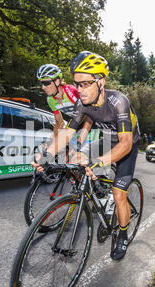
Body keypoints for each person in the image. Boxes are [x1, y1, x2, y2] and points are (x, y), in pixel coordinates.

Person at [33, 51, 140, 260]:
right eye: (77, 84)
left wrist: (98, 161)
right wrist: (44, 156)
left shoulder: (118, 101)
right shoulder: (82, 104)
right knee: (77, 159)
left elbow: (125, 143)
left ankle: (123, 235)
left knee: (119, 194)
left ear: (101, 81)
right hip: (107, 139)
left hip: (128, 142)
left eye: (85, 84)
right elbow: (66, 133)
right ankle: (100, 192)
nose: (80, 90)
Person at [36, 64, 98, 152]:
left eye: (46, 83)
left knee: (84, 156)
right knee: (69, 158)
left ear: (57, 81)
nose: (43, 87)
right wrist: (49, 141)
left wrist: (81, 139)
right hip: (76, 125)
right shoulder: (50, 100)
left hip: (91, 123)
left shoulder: (70, 91)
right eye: (41, 83)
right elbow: (59, 123)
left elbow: (89, 113)